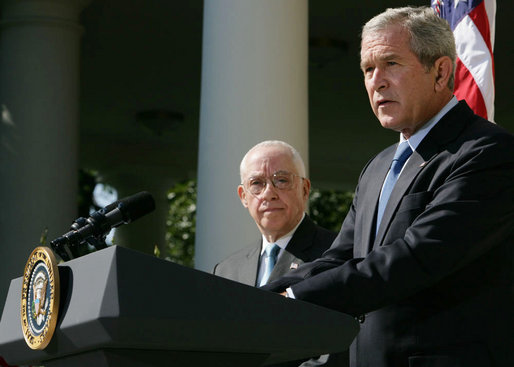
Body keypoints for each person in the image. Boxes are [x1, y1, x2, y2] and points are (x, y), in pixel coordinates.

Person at [263, 6, 514, 367]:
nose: (376, 81)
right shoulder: (378, 166)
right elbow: (340, 258)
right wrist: (258, 297)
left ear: (441, 72)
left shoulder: (489, 153)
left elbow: (415, 257)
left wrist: (295, 297)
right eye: (368, 69)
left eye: (391, 64)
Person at [214, 140, 348, 366]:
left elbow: (339, 346)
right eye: (256, 183)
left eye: (282, 180)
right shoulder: (227, 270)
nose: (269, 193)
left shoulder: (338, 254)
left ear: (305, 189)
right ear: (243, 196)